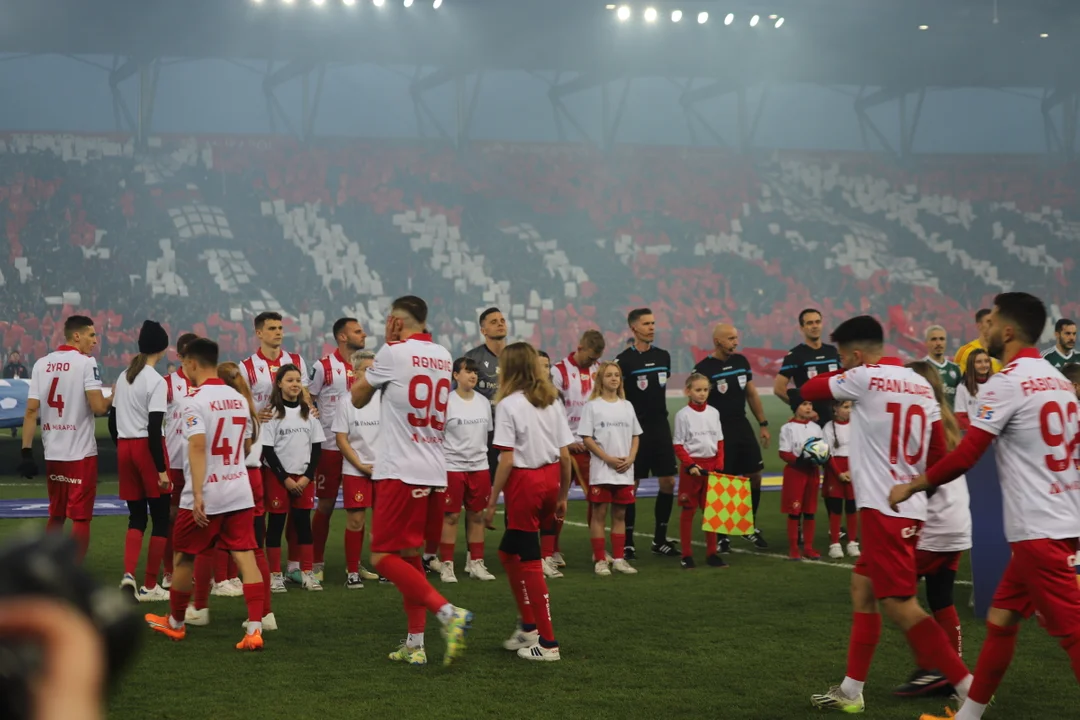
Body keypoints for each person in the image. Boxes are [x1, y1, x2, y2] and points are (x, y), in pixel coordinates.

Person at [887, 293, 1080, 720]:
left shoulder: (1007, 381)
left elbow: (966, 454)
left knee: (1074, 634)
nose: (983, 330)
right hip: (1060, 519)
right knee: (1002, 618)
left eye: (989, 322)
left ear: (1007, 331)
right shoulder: (1059, 381)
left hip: (1039, 531)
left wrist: (913, 485)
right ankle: (970, 714)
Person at [799, 315, 973, 714]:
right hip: (909, 507)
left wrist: (848, 372)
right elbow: (937, 458)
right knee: (863, 589)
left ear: (857, 355)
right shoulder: (921, 385)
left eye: (844, 357)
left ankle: (966, 685)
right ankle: (850, 690)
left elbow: (809, 389)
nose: (844, 364)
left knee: (900, 605)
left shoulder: (864, 376)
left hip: (883, 510)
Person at [349, 295, 472, 667]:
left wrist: (387, 346)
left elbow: (356, 398)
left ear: (396, 321)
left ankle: (448, 612)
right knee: (410, 558)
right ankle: (415, 644)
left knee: (383, 557)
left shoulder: (392, 353)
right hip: (435, 470)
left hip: (400, 470)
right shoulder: (444, 355)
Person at [144, 338, 266, 651]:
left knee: (184, 555)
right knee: (246, 556)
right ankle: (254, 628)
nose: (183, 367)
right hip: (238, 487)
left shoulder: (192, 399)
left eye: (184, 362)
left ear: (193, 364)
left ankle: (176, 622)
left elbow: (196, 445)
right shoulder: (238, 398)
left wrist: (197, 492)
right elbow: (248, 442)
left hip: (208, 490)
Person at [484, 341, 574, 661]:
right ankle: (529, 626)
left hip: (526, 483)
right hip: (550, 480)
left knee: (530, 562)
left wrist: (492, 501)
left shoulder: (508, 405)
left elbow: (506, 461)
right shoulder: (551, 401)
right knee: (509, 553)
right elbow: (565, 456)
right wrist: (562, 495)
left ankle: (547, 643)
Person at [893, 360, 971, 698]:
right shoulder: (945, 416)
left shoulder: (921, 421)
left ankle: (936, 668)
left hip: (935, 524)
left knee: (896, 595)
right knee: (940, 597)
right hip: (957, 522)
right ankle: (951, 671)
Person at [20, 315, 112, 560]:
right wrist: (115, 395)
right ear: (77, 336)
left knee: (57, 515)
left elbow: (31, 411)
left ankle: (47, 568)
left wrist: (26, 452)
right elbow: (98, 407)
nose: (95, 340)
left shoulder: (41, 364)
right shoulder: (86, 363)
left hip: (54, 453)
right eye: (92, 335)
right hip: (80, 454)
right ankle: (71, 574)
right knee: (80, 518)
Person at [241, 311, 309, 583]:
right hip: (259, 445)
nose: (278, 332)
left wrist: (310, 408)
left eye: (280, 327)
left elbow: (304, 394)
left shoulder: (295, 361)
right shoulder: (246, 366)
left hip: (293, 442)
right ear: (258, 333)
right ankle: (261, 566)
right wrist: (256, 415)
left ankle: (293, 567)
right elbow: (240, 401)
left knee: (298, 512)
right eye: (271, 328)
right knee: (260, 510)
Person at [692, 322, 771, 552]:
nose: (736, 342)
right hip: (718, 430)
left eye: (736, 338)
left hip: (742, 425)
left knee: (755, 475)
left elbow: (752, 393)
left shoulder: (741, 362)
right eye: (731, 339)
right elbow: (697, 402)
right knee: (722, 481)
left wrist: (763, 424)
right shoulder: (703, 368)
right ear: (717, 341)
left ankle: (748, 525)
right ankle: (722, 534)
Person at [110, 320, 172, 602]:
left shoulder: (124, 376)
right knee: (160, 519)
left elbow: (112, 421)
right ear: (163, 347)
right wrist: (160, 469)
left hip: (124, 447)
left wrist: (123, 447)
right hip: (148, 450)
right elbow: (153, 427)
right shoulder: (156, 380)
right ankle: (149, 585)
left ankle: (128, 575)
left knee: (136, 518)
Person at [214, 362, 276, 631]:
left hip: (230, 477)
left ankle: (191, 609)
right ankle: (265, 613)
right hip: (252, 476)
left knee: (208, 543)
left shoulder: (219, 403)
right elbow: (250, 445)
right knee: (254, 549)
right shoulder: (246, 404)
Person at [615, 308, 679, 560]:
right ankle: (628, 541)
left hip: (660, 428)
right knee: (633, 484)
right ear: (633, 328)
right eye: (646, 324)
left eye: (653, 323)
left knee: (669, 482)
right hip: (635, 431)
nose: (652, 327)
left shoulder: (664, 356)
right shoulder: (623, 361)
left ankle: (660, 540)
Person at [309, 317, 367, 583]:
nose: (363, 334)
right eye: (357, 331)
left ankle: (355, 565)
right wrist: (312, 415)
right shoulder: (323, 367)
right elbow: (307, 396)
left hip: (361, 448)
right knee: (326, 505)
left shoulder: (367, 367)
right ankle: (316, 563)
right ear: (342, 337)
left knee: (359, 508)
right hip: (331, 447)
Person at [261, 364, 324, 592]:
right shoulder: (272, 413)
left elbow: (316, 448)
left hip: (303, 479)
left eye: (298, 380)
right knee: (276, 525)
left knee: (303, 525)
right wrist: (285, 478)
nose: (295, 384)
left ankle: (307, 572)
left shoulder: (309, 412)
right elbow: (267, 450)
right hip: (278, 478)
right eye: (289, 380)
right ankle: (275, 575)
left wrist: (307, 477)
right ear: (279, 384)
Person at [578, 361, 642, 577]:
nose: (614, 378)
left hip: (624, 470)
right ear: (601, 380)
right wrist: (607, 458)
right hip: (602, 470)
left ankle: (619, 559)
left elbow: (635, 435)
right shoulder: (592, 406)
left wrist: (631, 457)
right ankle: (599, 560)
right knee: (599, 514)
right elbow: (586, 438)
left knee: (620, 514)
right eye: (609, 375)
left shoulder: (627, 406)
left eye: (617, 375)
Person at [549, 329, 605, 570]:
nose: (592, 362)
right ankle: (551, 549)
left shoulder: (599, 370)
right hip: (564, 445)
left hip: (590, 445)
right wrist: (565, 440)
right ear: (580, 348)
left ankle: (598, 551)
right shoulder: (558, 371)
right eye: (590, 357)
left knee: (597, 499)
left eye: (596, 359)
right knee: (556, 500)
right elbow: (554, 408)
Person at [437, 357, 496, 583]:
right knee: (451, 516)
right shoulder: (446, 402)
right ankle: (447, 565)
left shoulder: (483, 402)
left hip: (479, 467)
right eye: (468, 371)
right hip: (452, 466)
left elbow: (487, 434)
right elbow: (439, 436)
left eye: (475, 371)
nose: (473, 375)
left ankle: (476, 563)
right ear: (455, 375)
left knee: (477, 516)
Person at [332, 350, 381, 589]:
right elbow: (341, 439)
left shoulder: (385, 399)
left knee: (384, 522)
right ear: (355, 372)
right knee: (356, 521)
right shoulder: (346, 401)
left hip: (384, 469)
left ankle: (385, 567)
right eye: (368, 369)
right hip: (356, 468)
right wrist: (361, 465)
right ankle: (352, 570)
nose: (373, 374)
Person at [672, 373, 725, 570]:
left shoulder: (714, 412)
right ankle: (687, 555)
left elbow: (719, 440)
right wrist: (690, 465)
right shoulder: (682, 415)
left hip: (712, 467)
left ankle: (712, 553)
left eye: (705, 390)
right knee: (688, 510)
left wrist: (719, 462)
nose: (702, 394)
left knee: (711, 512)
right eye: (698, 390)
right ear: (688, 391)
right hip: (692, 469)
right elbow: (678, 444)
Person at [162, 332, 199, 589]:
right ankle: (169, 571)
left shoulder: (210, 384)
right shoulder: (166, 383)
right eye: (187, 354)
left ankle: (195, 570)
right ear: (179, 356)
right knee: (172, 517)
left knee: (201, 517)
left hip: (200, 462)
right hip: (175, 461)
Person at [778, 390, 824, 561]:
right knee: (795, 511)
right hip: (796, 473)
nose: (808, 407)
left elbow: (822, 449)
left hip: (812, 472)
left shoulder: (816, 428)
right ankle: (794, 548)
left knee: (810, 511)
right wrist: (799, 461)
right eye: (804, 404)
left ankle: (809, 547)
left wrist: (819, 458)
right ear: (795, 407)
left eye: (810, 404)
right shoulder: (787, 428)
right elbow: (784, 452)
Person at [774, 308, 841, 423]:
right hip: (811, 420)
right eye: (809, 323)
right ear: (801, 328)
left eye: (817, 322)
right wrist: (801, 409)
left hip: (834, 418)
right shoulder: (795, 355)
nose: (814, 326)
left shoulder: (832, 352)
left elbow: (843, 381)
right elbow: (779, 389)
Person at [822, 400, 859, 559]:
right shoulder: (829, 427)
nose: (849, 410)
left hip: (853, 468)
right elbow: (827, 453)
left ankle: (852, 543)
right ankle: (835, 544)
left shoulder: (857, 426)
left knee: (851, 507)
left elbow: (861, 450)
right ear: (835, 408)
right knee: (836, 508)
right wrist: (839, 473)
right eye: (845, 407)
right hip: (835, 469)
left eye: (850, 407)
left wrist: (852, 470)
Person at [924, 325, 962, 410]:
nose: (938, 343)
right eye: (934, 339)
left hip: (951, 420)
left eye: (942, 339)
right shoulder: (921, 368)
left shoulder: (955, 369)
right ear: (926, 343)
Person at [954, 308, 1003, 374]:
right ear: (979, 326)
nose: (992, 325)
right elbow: (958, 379)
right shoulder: (965, 352)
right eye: (989, 322)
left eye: (994, 322)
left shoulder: (1002, 352)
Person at [954, 348, 993, 430]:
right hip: (972, 434)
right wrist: (976, 433)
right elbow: (961, 417)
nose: (984, 365)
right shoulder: (963, 387)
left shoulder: (997, 384)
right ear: (971, 365)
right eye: (979, 362)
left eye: (986, 361)